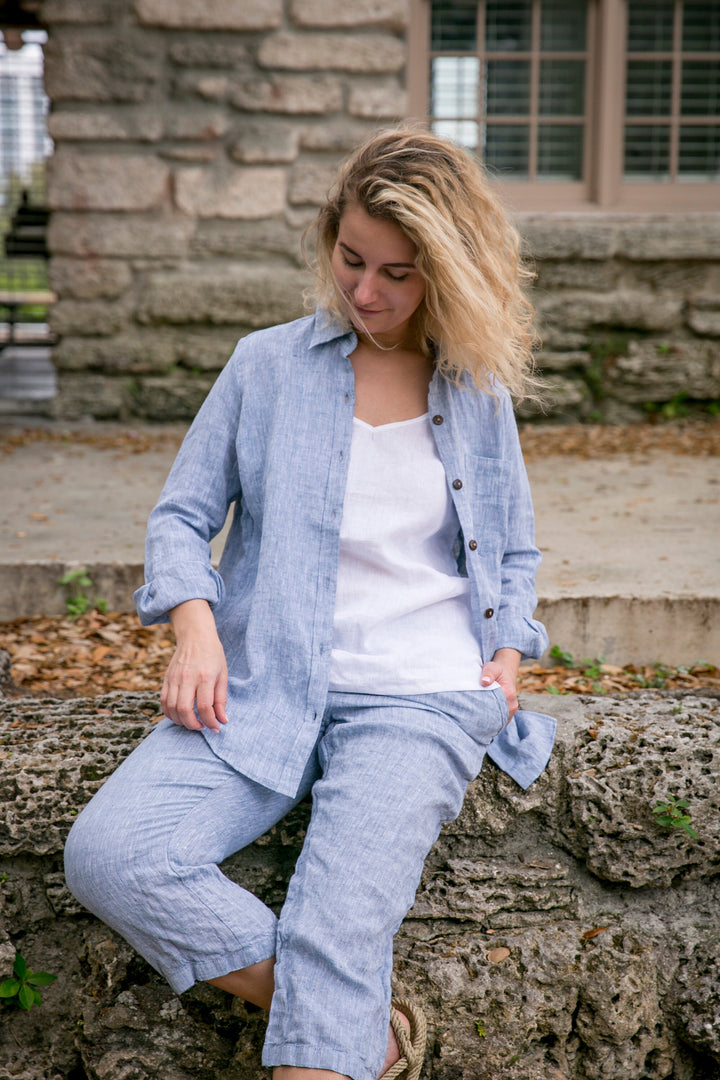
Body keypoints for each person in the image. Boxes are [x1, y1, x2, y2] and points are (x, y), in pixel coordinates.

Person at [64, 127, 556, 1080]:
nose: (367, 292)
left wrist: (509, 659)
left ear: (449, 274)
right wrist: (195, 631)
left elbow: (512, 542)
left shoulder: (477, 390)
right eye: (352, 259)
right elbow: (182, 518)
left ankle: (334, 1023)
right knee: (113, 854)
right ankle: (359, 1027)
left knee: (336, 929)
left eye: (401, 274)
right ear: (329, 236)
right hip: (261, 685)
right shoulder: (265, 367)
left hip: (419, 701)